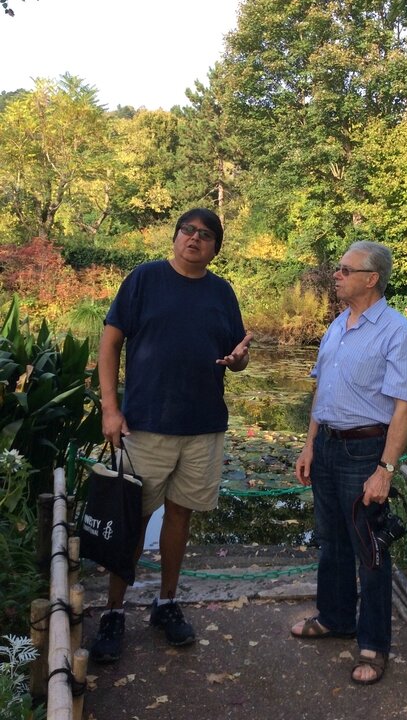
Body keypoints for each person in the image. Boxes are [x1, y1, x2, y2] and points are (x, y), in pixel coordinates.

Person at [89, 208, 252, 663]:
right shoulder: (144, 279)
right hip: (146, 425)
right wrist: (109, 408)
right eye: (188, 231)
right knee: (133, 520)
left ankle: (165, 602)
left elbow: (235, 353)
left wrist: (239, 361)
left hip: (202, 427)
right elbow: (110, 341)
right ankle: (114, 613)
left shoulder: (222, 293)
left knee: (180, 517)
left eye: (205, 235)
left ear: (215, 247)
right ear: (176, 237)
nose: (194, 239)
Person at [291, 241, 407, 686]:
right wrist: (310, 445)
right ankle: (335, 618)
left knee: (371, 551)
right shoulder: (337, 327)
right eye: (338, 268)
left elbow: (404, 408)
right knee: (332, 540)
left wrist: (385, 469)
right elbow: (321, 391)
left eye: (346, 269)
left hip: (366, 452)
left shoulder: (398, 333)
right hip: (327, 447)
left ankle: (373, 643)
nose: (337, 274)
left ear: (372, 279)